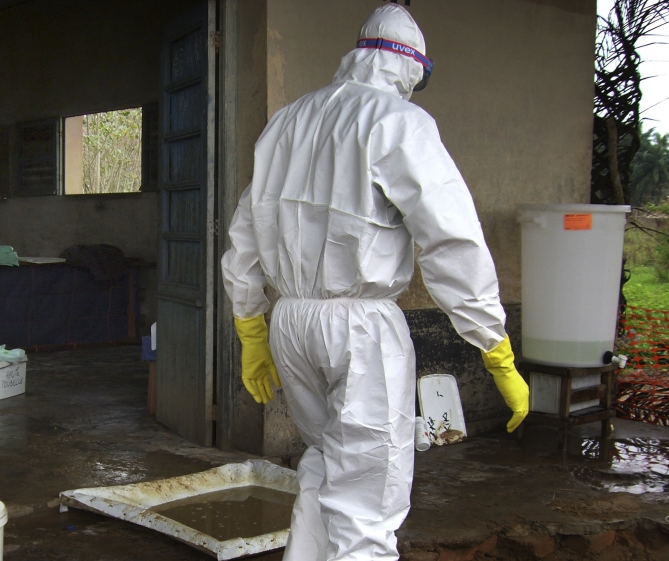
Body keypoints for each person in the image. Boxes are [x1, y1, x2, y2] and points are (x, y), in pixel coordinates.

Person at [220, 5, 529, 560]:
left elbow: (245, 233)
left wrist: (250, 325)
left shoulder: (287, 121)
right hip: (361, 330)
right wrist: (494, 346)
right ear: (411, 67)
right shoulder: (400, 122)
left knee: (324, 461)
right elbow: (450, 239)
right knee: (368, 495)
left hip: (291, 322)